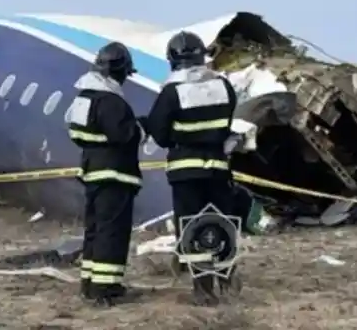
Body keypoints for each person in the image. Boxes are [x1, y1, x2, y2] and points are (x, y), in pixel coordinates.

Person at [145, 30, 239, 306]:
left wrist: (178, 135)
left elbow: (159, 134)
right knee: (222, 223)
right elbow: (228, 122)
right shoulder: (223, 86)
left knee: (192, 226)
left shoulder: (172, 92)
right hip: (218, 168)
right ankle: (227, 276)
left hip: (186, 171)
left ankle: (203, 288)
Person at [65, 41, 144, 307]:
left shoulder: (83, 99)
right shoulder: (111, 101)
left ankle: (89, 282)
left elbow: (75, 133)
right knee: (113, 231)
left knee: (95, 229)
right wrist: (141, 128)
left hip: (92, 172)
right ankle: (105, 288)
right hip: (115, 176)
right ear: (120, 71)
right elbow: (125, 135)